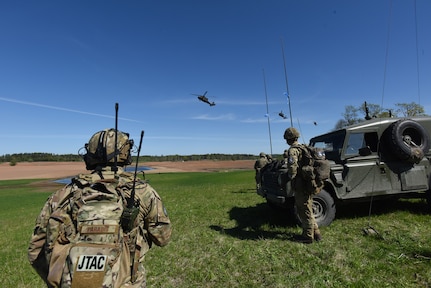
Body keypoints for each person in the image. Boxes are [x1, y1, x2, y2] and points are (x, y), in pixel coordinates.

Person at [28, 128, 172, 287]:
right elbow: (162, 238)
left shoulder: (62, 195)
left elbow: (35, 251)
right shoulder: (143, 192)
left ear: (90, 155)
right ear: (126, 154)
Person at [283, 127, 322, 244]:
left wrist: (290, 178)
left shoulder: (293, 151)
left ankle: (307, 236)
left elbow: (292, 168)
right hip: (308, 182)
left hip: (301, 184)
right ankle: (316, 233)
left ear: (288, 139)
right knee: (308, 207)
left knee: (303, 210)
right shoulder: (304, 147)